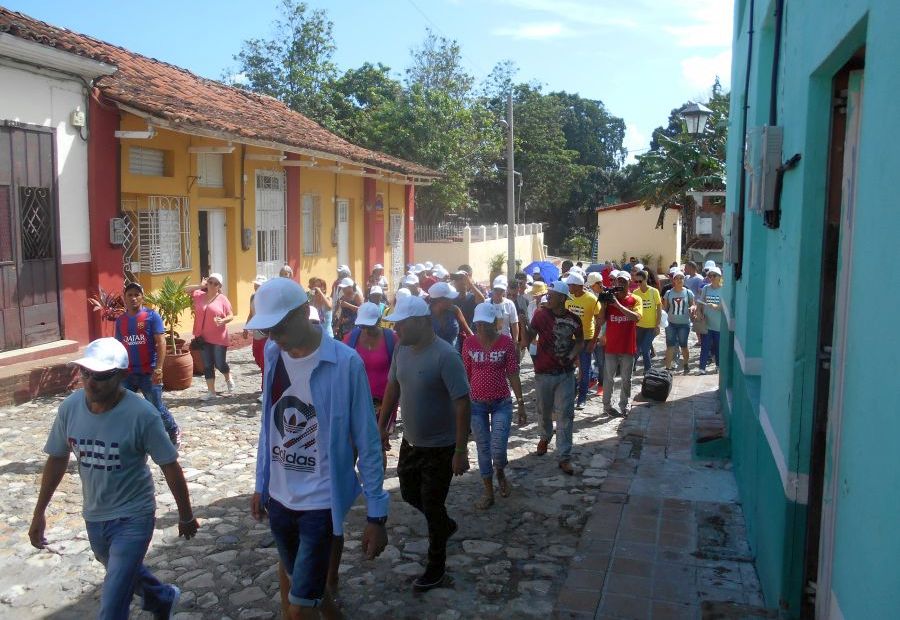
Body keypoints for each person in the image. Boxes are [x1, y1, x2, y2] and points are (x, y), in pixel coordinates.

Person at [247, 278, 389, 618]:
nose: (274, 337)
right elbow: (268, 426)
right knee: (298, 577)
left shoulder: (345, 363)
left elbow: (368, 441)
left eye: (278, 327)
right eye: (267, 330)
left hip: (319, 503)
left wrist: (377, 514)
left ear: (302, 313)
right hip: (280, 499)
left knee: (299, 609)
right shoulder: (273, 354)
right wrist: (260, 483)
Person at [29, 338, 199, 619]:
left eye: (101, 376)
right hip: (94, 515)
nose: (91, 382)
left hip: (134, 515)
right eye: (86, 373)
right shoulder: (69, 409)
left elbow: (169, 465)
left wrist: (185, 515)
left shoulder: (142, 415)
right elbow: (58, 458)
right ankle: (161, 597)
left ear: (121, 375)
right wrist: (39, 512)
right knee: (122, 571)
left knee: (113, 600)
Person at [377, 295, 471, 592]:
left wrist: (460, 449)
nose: (396, 331)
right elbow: (393, 387)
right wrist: (382, 428)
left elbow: (462, 403)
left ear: (419, 322)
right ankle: (445, 524)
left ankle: (436, 567)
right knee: (408, 493)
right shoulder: (401, 351)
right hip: (411, 442)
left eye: (401, 325)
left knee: (432, 505)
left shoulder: (445, 356)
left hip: (441, 447)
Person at [463, 302, 526, 510]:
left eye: (485, 324)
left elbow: (513, 373)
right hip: (477, 404)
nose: (481, 328)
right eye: (478, 324)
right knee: (483, 448)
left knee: (498, 448)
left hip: (501, 403)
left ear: (494, 323)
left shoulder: (506, 343)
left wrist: (521, 403)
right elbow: (467, 373)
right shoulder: (469, 343)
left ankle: (500, 471)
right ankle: (488, 491)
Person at [524, 281, 583, 475]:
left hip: (565, 374)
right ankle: (545, 436)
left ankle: (564, 456)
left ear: (562, 298)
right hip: (543, 373)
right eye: (548, 294)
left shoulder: (574, 319)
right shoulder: (541, 316)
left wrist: (572, 355)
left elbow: (580, 341)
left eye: (552, 294)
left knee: (566, 414)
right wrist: (524, 324)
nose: (548, 296)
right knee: (544, 409)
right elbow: (528, 339)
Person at [115, 281, 180, 446]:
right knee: (121, 407)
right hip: (128, 373)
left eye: (137, 295)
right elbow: (118, 346)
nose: (133, 298)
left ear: (142, 297)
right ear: (124, 298)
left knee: (156, 407)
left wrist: (158, 368)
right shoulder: (120, 321)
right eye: (129, 295)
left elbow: (161, 343)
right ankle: (130, 439)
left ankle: (173, 430)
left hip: (149, 372)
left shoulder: (151, 316)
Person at [343, 302, 397, 463]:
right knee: (350, 446)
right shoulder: (350, 338)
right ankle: (350, 484)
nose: (366, 329)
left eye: (370, 325)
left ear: (379, 320)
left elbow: (398, 373)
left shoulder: (392, 339)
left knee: (377, 447)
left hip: (383, 403)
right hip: (355, 401)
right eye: (363, 325)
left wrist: (392, 412)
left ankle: (375, 486)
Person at [187, 273, 235, 401]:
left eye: (216, 283)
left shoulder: (223, 299)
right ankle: (211, 392)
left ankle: (228, 377)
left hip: (219, 337)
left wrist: (223, 321)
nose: (212, 285)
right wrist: (199, 285)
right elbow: (184, 290)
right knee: (207, 365)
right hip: (202, 337)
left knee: (219, 363)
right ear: (207, 283)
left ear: (219, 286)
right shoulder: (199, 296)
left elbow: (231, 315)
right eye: (211, 282)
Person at [602, 272, 643, 417]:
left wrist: (617, 305)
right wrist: (603, 304)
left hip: (627, 346)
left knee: (627, 378)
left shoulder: (635, 299)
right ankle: (607, 406)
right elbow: (600, 321)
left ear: (629, 282)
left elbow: (636, 317)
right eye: (618, 281)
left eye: (623, 282)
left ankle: (623, 405)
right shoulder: (609, 299)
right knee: (608, 378)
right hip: (611, 346)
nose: (620, 284)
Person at [564, 272, 602, 410]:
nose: (568, 287)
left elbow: (599, 321)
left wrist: (593, 341)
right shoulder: (568, 298)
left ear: (577, 286)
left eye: (570, 285)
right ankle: (570, 394)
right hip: (570, 339)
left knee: (584, 370)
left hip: (586, 338)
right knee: (568, 367)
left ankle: (582, 398)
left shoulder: (591, 299)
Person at [662, 271, 696, 374]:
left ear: (684, 279)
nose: (679, 280)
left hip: (684, 323)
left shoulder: (688, 292)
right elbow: (665, 308)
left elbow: (693, 304)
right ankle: (667, 368)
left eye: (681, 278)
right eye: (677, 278)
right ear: (674, 280)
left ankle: (686, 363)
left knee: (683, 345)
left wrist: (693, 308)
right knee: (670, 346)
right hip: (671, 323)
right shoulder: (668, 293)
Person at [243, 275, 270, 399]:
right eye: (255, 284)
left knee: (265, 363)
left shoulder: (268, 299)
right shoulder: (253, 297)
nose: (256, 286)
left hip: (266, 334)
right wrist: (246, 328)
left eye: (259, 285)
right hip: (256, 334)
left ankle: (265, 391)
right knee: (257, 357)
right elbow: (251, 313)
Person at [631, 270, 662, 373]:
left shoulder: (654, 291)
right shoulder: (635, 293)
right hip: (639, 326)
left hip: (651, 326)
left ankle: (648, 370)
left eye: (640, 281)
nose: (638, 284)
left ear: (645, 280)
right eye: (636, 282)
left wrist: (657, 325)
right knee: (636, 348)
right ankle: (632, 368)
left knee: (645, 348)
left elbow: (659, 308)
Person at [428, 282, 473, 350]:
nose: (452, 300)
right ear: (439, 300)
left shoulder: (455, 310)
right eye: (449, 298)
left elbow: (468, 332)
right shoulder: (425, 314)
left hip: (454, 355)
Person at [698, 267, 725, 374]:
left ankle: (718, 365)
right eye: (710, 276)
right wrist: (699, 313)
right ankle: (702, 368)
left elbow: (725, 306)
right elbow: (700, 302)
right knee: (705, 346)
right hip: (707, 323)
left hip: (719, 325)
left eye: (714, 276)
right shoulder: (706, 288)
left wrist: (716, 306)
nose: (712, 278)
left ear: (720, 277)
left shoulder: (724, 289)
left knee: (718, 347)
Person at [585, 273, 606, 393]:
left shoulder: (604, 297)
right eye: (599, 283)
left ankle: (601, 385)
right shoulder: (588, 296)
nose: (602, 285)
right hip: (588, 333)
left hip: (600, 334)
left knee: (600, 361)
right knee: (588, 360)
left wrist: (604, 334)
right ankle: (592, 379)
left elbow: (605, 318)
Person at [489, 276, 520, 345]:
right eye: (496, 289)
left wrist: (515, 341)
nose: (498, 292)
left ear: (505, 291)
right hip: (490, 342)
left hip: (506, 343)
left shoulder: (510, 304)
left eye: (501, 290)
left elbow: (514, 324)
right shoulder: (486, 303)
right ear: (493, 288)